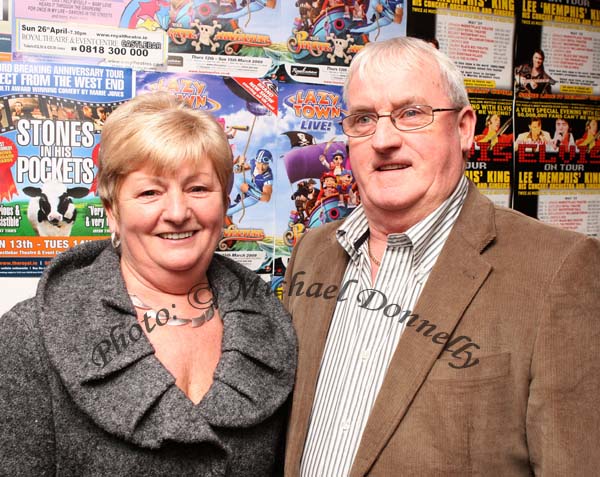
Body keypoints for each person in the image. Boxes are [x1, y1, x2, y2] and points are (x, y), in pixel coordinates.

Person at [283, 37, 600, 476]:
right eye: (362, 119)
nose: (384, 140)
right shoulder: (312, 252)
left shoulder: (558, 270)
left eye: (411, 114)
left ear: (465, 127)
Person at [0, 92, 296, 475]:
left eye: (198, 189)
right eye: (150, 192)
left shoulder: (273, 329)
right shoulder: (29, 337)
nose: (176, 212)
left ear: (224, 205)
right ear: (112, 211)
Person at [227, 148, 274, 216]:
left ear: (268, 164)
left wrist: (249, 190)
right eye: (259, 163)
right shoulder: (252, 163)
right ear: (255, 161)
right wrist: (239, 164)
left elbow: (266, 198)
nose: (261, 168)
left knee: (231, 211)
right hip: (252, 185)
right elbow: (236, 170)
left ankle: (242, 199)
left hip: (256, 195)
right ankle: (243, 196)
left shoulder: (268, 176)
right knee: (239, 181)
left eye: (264, 165)